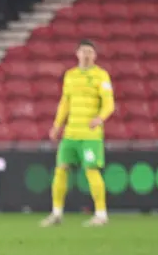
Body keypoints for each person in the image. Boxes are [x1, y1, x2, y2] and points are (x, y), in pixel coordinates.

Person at [41, 39, 115, 228]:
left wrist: (100, 117)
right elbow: (64, 103)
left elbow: (109, 103)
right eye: (83, 51)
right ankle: (56, 213)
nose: (86, 54)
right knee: (61, 168)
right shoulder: (70, 75)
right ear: (77, 54)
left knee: (91, 170)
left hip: (90, 135)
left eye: (90, 51)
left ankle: (101, 214)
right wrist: (57, 125)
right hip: (71, 133)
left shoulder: (101, 75)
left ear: (95, 55)